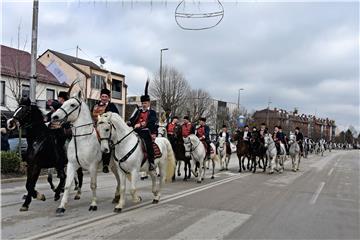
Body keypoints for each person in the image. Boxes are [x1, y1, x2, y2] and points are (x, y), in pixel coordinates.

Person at [128, 80, 158, 171]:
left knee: (148, 145)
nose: (144, 105)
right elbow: (133, 119)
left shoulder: (152, 112)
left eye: (145, 103)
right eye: (142, 103)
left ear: (149, 103)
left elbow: (152, 122)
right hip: (137, 132)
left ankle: (151, 162)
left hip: (146, 132)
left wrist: (140, 124)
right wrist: (130, 123)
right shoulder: (139, 111)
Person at [91, 88, 119, 173]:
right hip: (94, 127)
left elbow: (116, 117)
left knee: (106, 142)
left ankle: (105, 164)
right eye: (102, 96)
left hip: (106, 128)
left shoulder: (111, 106)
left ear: (108, 98)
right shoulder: (95, 105)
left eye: (105, 96)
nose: (103, 98)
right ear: (100, 97)